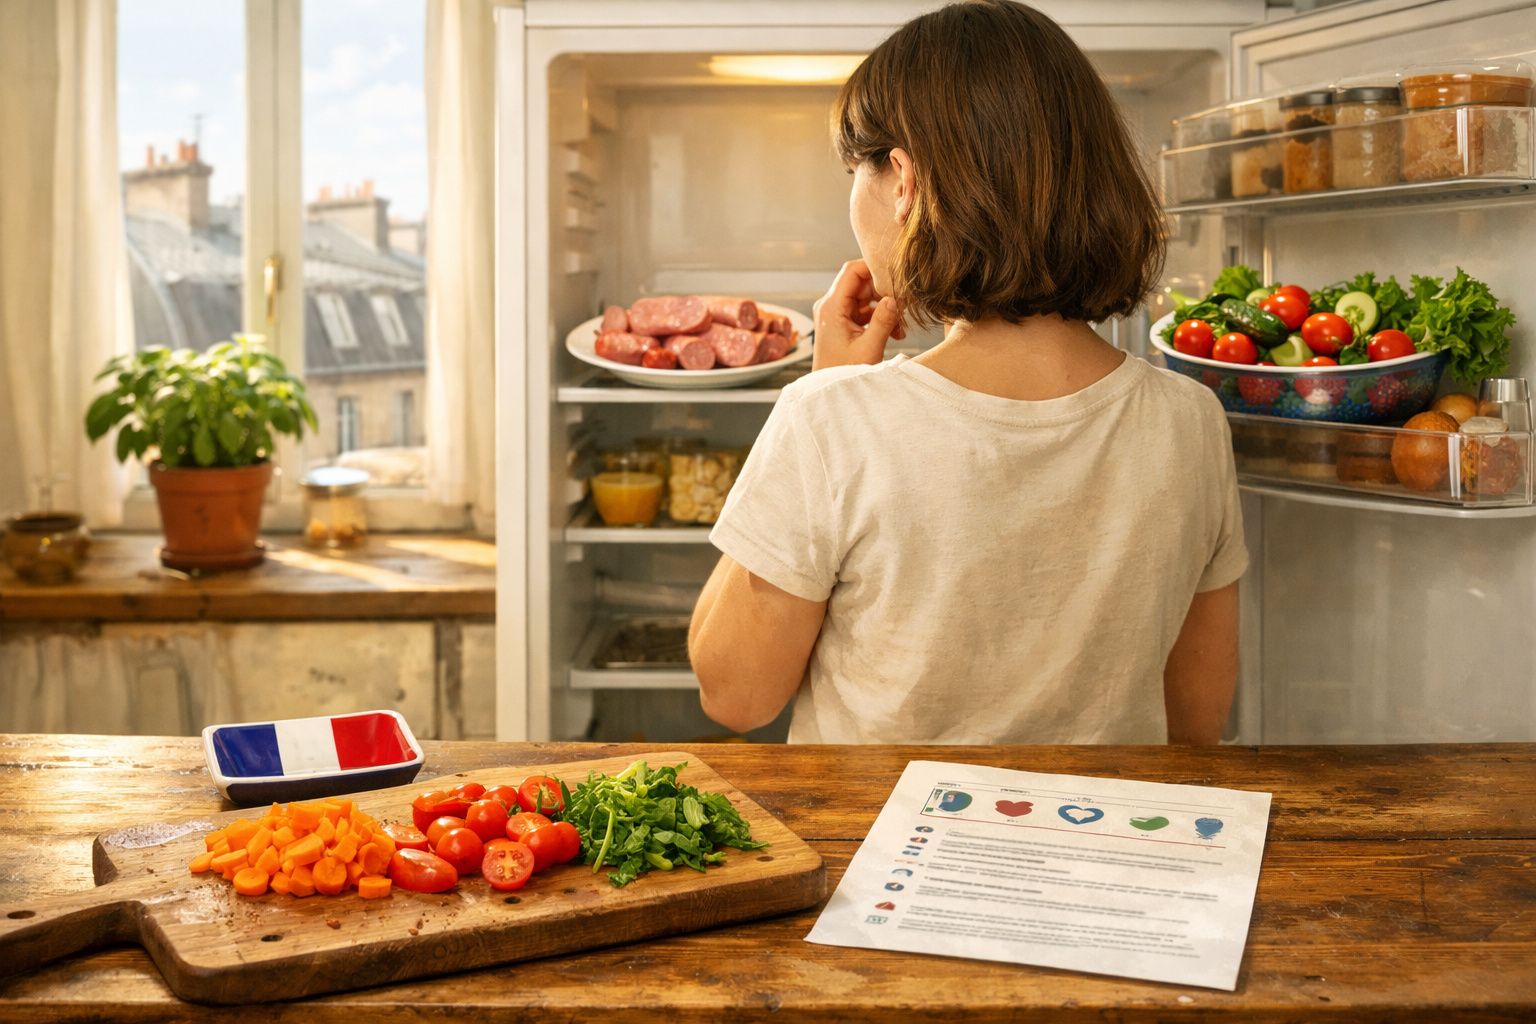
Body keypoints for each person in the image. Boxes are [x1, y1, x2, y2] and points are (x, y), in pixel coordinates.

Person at [688, 0, 1246, 745]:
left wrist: (818, 391)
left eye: (859, 169)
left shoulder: (831, 418)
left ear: (905, 184)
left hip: (882, 853)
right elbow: (1198, 718)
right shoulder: (1189, 419)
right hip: (1101, 848)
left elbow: (735, 692)